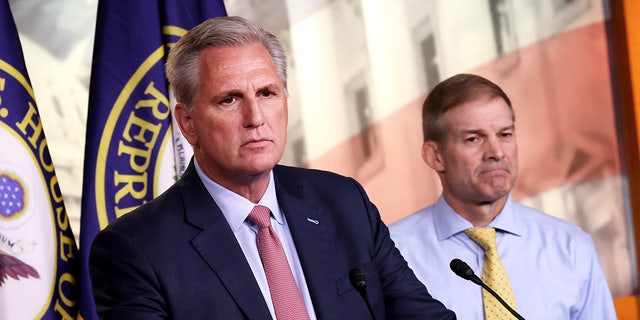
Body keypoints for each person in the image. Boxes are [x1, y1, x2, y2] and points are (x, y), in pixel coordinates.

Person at [89, 16, 456, 320]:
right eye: (229, 99)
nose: (255, 118)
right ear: (188, 124)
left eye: (267, 93)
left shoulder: (342, 202)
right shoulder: (136, 249)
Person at [389, 73, 617, 319]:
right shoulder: (391, 253)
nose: (496, 152)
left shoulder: (571, 246)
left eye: (505, 134)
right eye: (473, 139)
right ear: (435, 156)